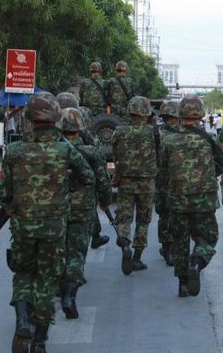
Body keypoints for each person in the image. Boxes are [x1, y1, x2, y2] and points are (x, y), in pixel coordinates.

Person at [0, 93, 94, 353]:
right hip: (54, 227)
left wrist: (18, 209)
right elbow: (87, 176)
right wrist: (64, 185)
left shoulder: (15, 152)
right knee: (46, 280)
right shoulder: (64, 150)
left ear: (29, 119)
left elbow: (4, 193)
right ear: (55, 120)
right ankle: (39, 340)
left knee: (23, 274)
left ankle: (22, 322)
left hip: (23, 227)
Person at [159, 95, 223, 297]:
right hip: (204, 199)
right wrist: (204, 176)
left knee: (180, 241)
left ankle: (183, 285)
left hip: (177, 199)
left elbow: (162, 172)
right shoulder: (209, 139)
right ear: (201, 114)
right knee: (207, 238)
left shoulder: (168, 140)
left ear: (180, 114)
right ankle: (196, 264)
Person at [58, 108, 112, 319]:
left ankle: (57, 285)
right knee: (76, 254)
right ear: (81, 129)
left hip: (57, 209)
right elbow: (103, 181)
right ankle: (69, 295)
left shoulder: (53, 150)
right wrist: (105, 202)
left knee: (59, 250)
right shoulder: (92, 151)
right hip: (82, 210)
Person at [57, 92, 111, 250]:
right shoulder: (81, 115)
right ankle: (93, 235)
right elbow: (92, 142)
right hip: (82, 164)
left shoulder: (53, 118)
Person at [112, 96, 157, 275]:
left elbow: (115, 155)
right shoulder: (153, 132)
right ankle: (137, 257)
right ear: (146, 113)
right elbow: (159, 154)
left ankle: (124, 246)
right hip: (147, 182)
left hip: (126, 181)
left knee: (124, 217)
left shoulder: (119, 131)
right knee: (143, 220)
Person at [156, 100, 181, 266]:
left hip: (162, 181)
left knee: (164, 214)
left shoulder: (155, 133)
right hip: (181, 181)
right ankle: (173, 247)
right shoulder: (186, 133)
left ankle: (167, 247)